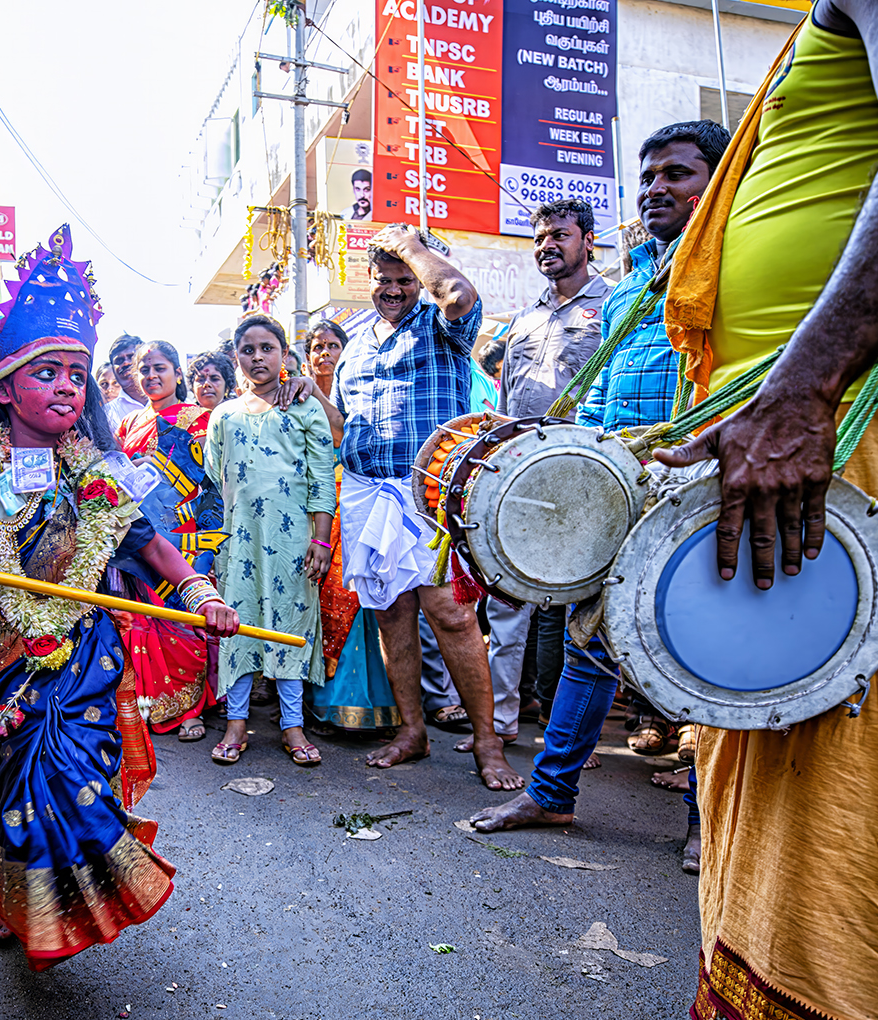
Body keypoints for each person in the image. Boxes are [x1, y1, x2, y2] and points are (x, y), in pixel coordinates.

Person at [652, 3, 878, 1020]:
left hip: (859, 422)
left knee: (846, 740)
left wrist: (804, 391)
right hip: (795, 430)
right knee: (771, 724)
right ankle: (774, 996)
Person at [0, 224, 239, 968]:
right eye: (47, 372)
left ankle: (67, 913)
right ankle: (18, 903)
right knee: (11, 792)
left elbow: (150, 546)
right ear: (4, 387)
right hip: (1, 659)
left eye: (76, 374)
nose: (67, 387)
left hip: (84, 660)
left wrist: (199, 594)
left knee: (72, 783)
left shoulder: (101, 476)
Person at [470, 123, 729, 839]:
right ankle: (551, 793)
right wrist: (581, 464)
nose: (655, 189)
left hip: (694, 478)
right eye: (647, 178)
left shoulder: (730, 261)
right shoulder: (634, 281)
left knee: (700, 651)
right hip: (618, 483)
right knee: (589, 644)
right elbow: (599, 391)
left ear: (718, 182)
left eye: (677, 174)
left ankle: (706, 821)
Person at [332, 223, 520, 790]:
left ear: (418, 277)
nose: (393, 290)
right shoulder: (354, 344)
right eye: (383, 279)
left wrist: (414, 249)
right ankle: (412, 732)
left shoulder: (443, 324)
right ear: (368, 280)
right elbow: (342, 423)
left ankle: (488, 743)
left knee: (452, 614)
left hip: (428, 491)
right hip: (365, 491)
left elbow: (459, 295)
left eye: (404, 279)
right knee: (391, 613)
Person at [477, 199, 611, 757]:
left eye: (559, 235)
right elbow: (507, 397)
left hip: (582, 476)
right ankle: (501, 722)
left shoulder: (614, 304)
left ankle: (570, 736)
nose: (547, 246)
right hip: (519, 472)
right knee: (507, 603)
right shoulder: (525, 318)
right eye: (539, 238)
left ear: (587, 241)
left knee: (580, 608)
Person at [205, 314, 336, 766]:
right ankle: (236, 723)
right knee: (236, 625)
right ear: (235, 357)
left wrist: (321, 541)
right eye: (248, 350)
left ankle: (292, 726)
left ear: (284, 354)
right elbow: (215, 479)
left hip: (293, 540)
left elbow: (322, 478)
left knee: (290, 627)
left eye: (267, 348)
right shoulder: (223, 415)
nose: (258, 357)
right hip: (237, 541)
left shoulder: (304, 407)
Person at [113, 339, 223, 739]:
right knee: (141, 621)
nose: (151, 376)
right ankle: (147, 704)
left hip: (182, 532)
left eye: (159, 368)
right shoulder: (128, 423)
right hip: (135, 534)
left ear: (177, 373)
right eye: (144, 370)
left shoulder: (198, 419)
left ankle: (190, 708)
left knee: (181, 619)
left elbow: (209, 484)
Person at [104, 332, 146, 429]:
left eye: (131, 357)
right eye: (119, 361)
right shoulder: (106, 414)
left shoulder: (170, 400)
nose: (126, 363)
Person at [307, 319, 347, 396]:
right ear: (308, 358)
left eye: (334, 346)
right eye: (318, 347)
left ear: (345, 353)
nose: (325, 352)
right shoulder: (298, 397)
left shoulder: (355, 395)